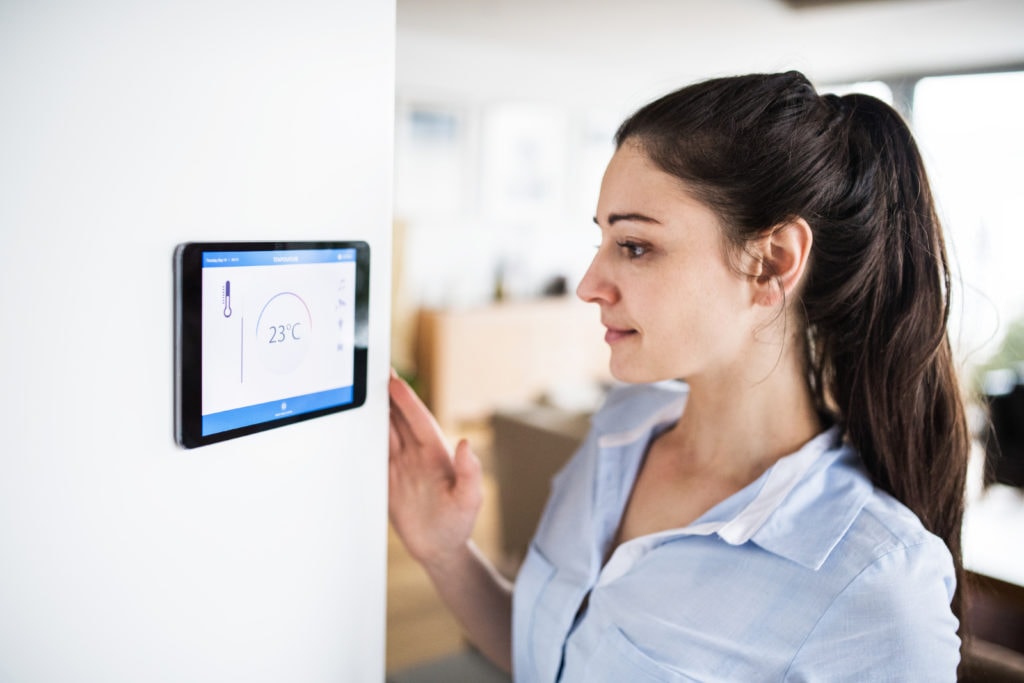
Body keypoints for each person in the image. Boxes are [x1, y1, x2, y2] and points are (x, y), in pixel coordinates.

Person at [388, 71, 969, 682]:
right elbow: (556, 659)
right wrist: (445, 550)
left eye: (635, 245)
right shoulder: (619, 429)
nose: (589, 285)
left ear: (771, 263)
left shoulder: (875, 583)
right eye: (603, 239)